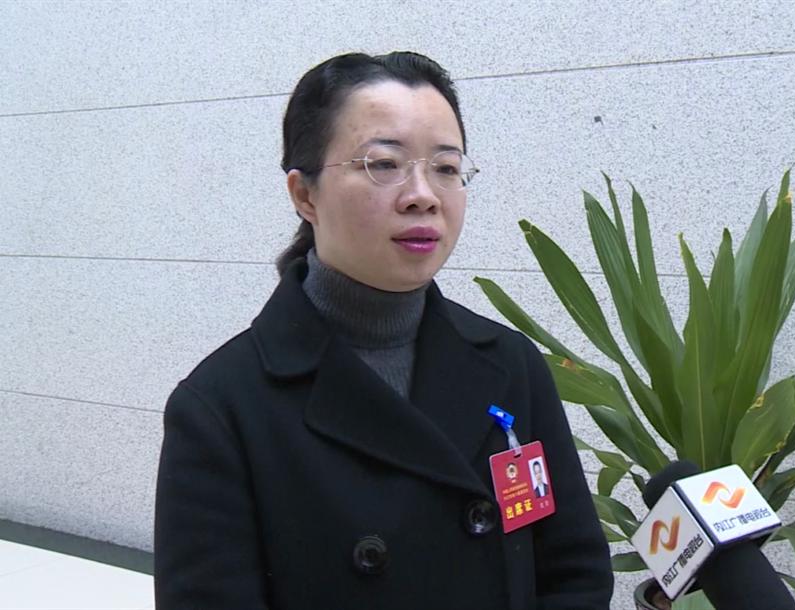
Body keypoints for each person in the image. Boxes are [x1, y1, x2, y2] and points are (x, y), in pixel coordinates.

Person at [154, 51, 613, 610]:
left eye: (446, 168)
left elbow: (574, 574)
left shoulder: (510, 363)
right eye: (384, 164)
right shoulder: (221, 407)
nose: (424, 195)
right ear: (305, 195)